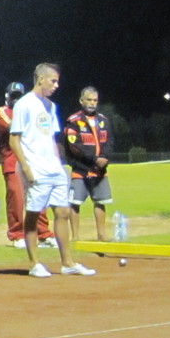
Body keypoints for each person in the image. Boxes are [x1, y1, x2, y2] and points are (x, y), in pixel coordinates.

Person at [10, 63, 96, 278]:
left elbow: (52, 138)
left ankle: (67, 263)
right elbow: (14, 140)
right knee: (33, 213)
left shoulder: (50, 106)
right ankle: (34, 263)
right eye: (53, 80)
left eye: (57, 81)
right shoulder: (24, 104)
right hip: (35, 168)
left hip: (54, 168)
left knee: (63, 212)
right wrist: (27, 169)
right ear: (40, 79)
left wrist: (60, 166)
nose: (56, 85)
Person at [0, 82, 56, 249]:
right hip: (12, 160)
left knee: (39, 197)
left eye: (18, 96)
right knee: (16, 198)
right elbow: (13, 128)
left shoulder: (30, 110)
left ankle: (44, 234)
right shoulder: (3, 111)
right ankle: (16, 235)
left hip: (33, 160)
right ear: (7, 96)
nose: (16, 99)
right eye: (13, 95)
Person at [64, 86, 114, 242]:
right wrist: (94, 159)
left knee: (100, 202)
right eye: (89, 100)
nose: (92, 103)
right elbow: (75, 146)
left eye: (95, 100)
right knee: (75, 203)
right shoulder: (73, 121)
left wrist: (104, 158)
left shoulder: (104, 121)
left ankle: (101, 235)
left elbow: (110, 142)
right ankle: (75, 237)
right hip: (81, 169)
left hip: (100, 170)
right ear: (81, 101)